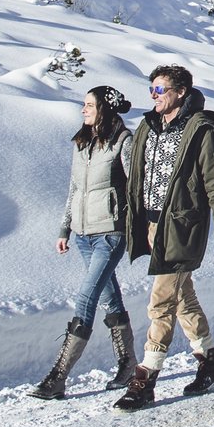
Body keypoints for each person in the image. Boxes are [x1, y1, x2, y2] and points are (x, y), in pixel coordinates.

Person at [114, 63, 214, 410]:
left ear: (179, 92)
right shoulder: (148, 125)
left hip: (181, 228)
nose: (153, 96)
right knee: (184, 299)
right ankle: (211, 362)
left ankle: (145, 379)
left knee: (161, 302)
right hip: (151, 226)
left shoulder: (200, 129)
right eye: (151, 89)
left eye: (159, 90)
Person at [29, 85, 138, 400]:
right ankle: (128, 364)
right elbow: (74, 189)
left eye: (89, 104)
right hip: (82, 235)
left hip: (110, 233)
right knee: (109, 298)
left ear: (104, 108)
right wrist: (65, 229)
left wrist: (137, 227)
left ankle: (58, 376)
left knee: (85, 299)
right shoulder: (81, 143)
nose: (83, 109)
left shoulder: (123, 142)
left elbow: (134, 189)